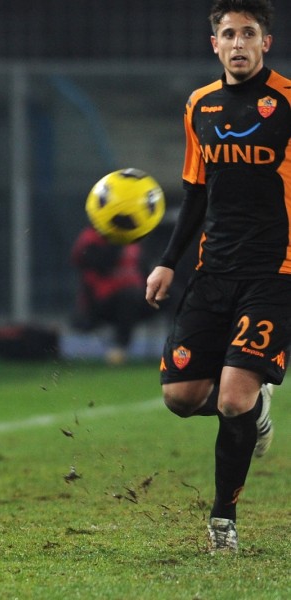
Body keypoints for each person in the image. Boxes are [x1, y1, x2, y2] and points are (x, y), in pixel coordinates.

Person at [145, 0, 282, 553]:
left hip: (276, 272)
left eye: (250, 32)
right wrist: (167, 261)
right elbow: (196, 192)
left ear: (266, 42)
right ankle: (258, 409)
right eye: (229, 33)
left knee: (230, 397)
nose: (240, 43)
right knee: (181, 397)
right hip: (213, 270)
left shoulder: (289, 102)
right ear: (216, 45)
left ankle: (222, 523)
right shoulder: (199, 105)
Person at [70, 225, 152, 365]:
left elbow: (145, 270)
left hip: (137, 299)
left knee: (171, 293)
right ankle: (119, 349)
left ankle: (182, 349)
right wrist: (117, 241)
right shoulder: (91, 237)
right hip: (102, 302)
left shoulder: (136, 236)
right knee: (128, 297)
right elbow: (96, 264)